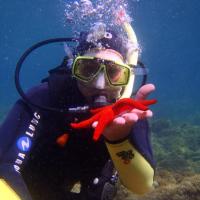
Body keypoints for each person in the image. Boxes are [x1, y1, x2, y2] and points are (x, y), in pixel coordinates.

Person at [0, 22, 156, 200]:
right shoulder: (44, 98)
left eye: (113, 72)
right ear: (73, 69)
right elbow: (4, 164)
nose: (99, 84)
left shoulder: (128, 113)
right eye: (88, 69)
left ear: (127, 76)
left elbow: (141, 185)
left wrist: (118, 140)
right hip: (31, 186)